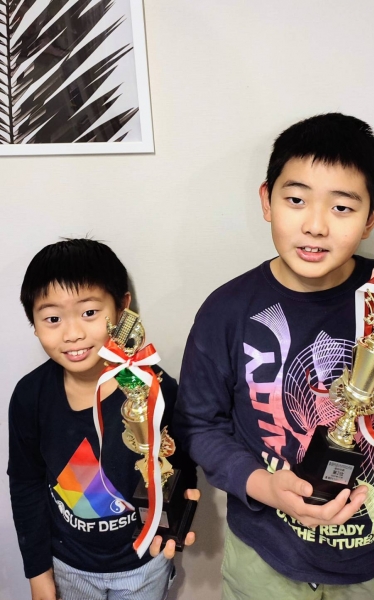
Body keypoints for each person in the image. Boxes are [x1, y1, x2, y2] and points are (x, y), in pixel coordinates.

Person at [174, 113, 374, 599]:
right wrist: (262, 485)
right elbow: (198, 425)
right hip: (264, 560)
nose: (315, 225)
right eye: (296, 199)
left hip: (371, 561)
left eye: (342, 207)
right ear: (267, 201)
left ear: (372, 217)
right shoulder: (227, 311)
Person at [8, 239, 198, 600]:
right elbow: (25, 482)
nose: (73, 334)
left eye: (90, 312)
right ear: (33, 322)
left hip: (144, 563)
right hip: (67, 565)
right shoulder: (30, 396)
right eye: (52, 318)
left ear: (123, 307)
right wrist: (38, 572)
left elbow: (179, 462)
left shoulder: (154, 389)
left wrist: (181, 507)